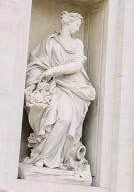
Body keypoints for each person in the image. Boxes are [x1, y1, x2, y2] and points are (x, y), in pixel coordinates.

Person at [24, 11, 96, 174]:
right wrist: (38, 80)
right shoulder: (50, 42)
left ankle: (55, 158)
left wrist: (52, 71)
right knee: (55, 118)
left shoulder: (77, 43)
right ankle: (43, 157)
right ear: (67, 23)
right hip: (54, 86)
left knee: (66, 119)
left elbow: (77, 66)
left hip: (73, 86)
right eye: (76, 24)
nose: (78, 28)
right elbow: (37, 63)